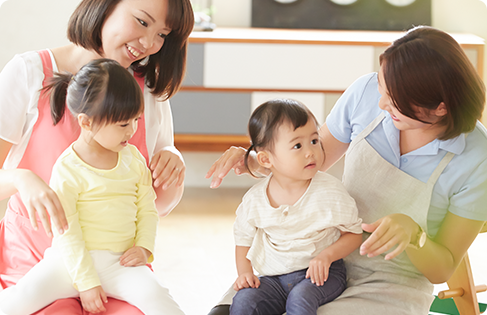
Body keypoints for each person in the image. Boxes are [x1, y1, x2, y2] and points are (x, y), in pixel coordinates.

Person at [206, 26, 487, 315]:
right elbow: (312, 160)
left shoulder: (476, 157)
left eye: (395, 101)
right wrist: (253, 159)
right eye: (382, 86)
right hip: (312, 255)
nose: (381, 103)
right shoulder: (365, 94)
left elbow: (441, 269)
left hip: (390, 284)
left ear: (440, 108)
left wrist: (414, 234)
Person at [0, 0, 194, 314]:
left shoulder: (147, 93)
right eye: (142, 22)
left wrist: (172, 160)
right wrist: (22, 179)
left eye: (162, 34)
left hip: (117, 262)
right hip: (39, 259)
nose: (149, 44)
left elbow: (155, 203)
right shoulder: (29, 74)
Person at [229, 99, 362, 315]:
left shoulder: (329, 191)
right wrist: (245, 273)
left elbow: (354, 233)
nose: (311, 152)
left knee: (300, 300)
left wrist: (326, 256)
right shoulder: (255, 200)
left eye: (314, 140)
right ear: (265, 159)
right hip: (274, 279)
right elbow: (243, 240)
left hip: (322, 274)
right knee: (244, 301)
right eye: (297, 145)